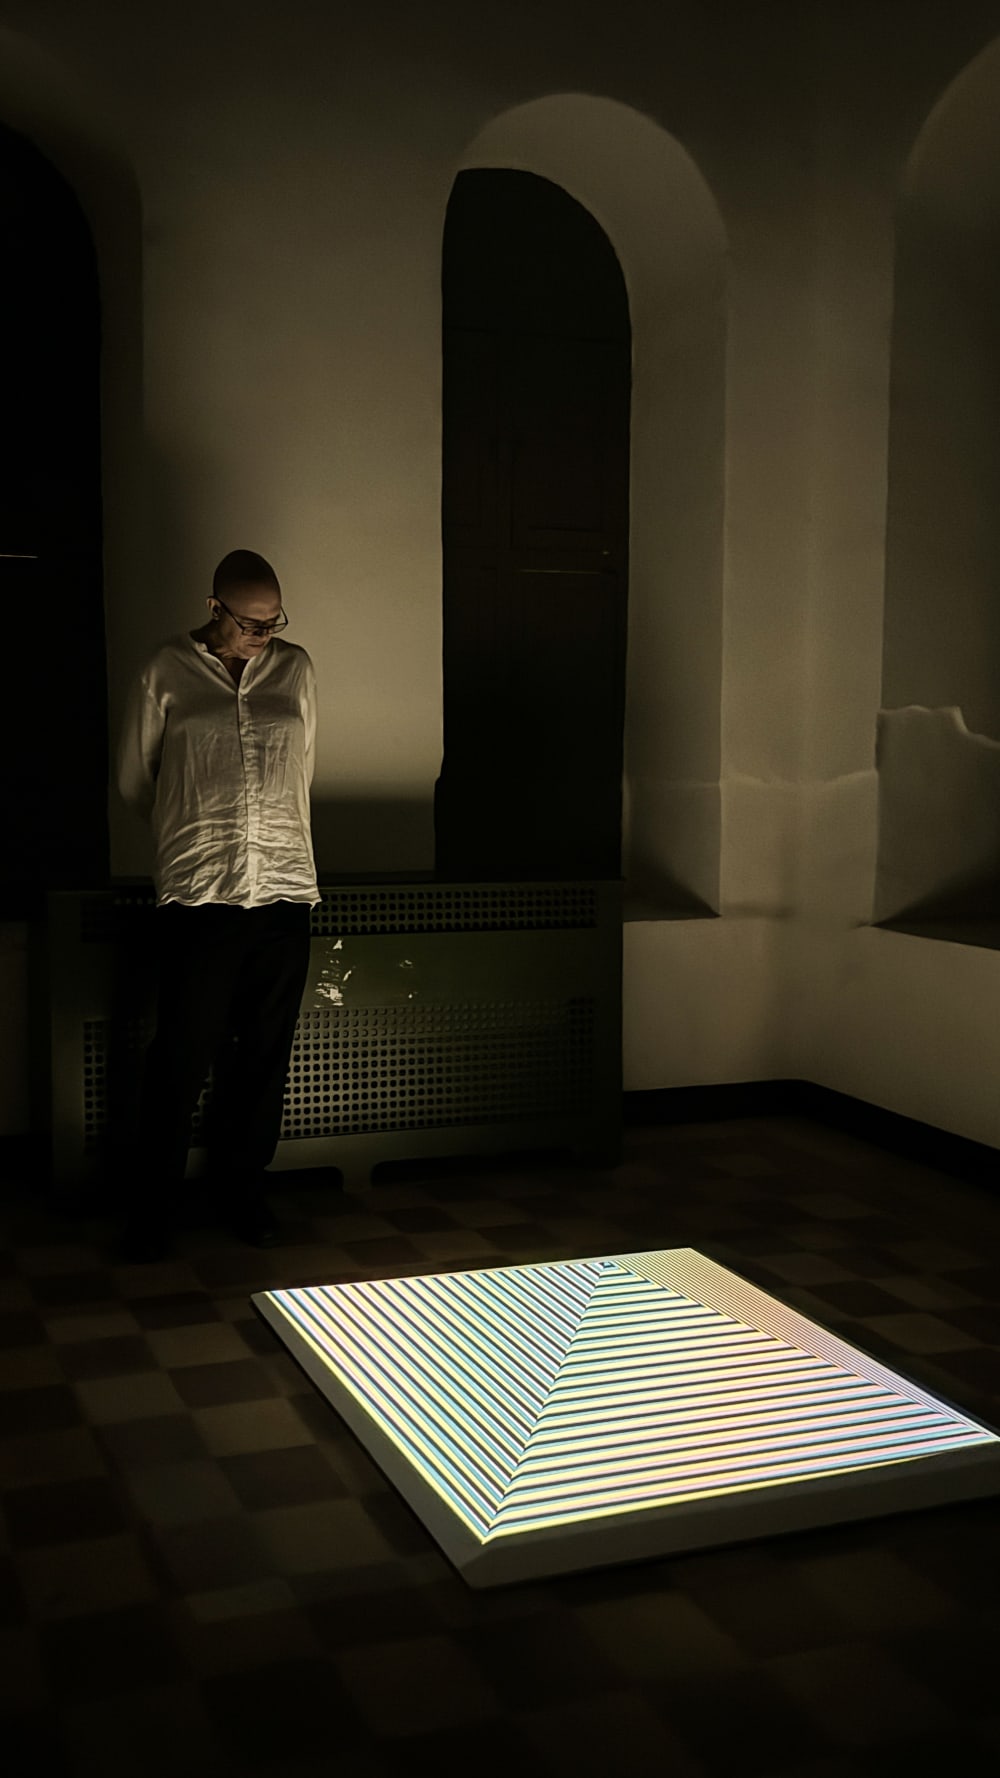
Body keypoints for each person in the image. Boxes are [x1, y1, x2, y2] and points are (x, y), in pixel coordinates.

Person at [116, 548, 319, 1260]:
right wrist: (192, 832)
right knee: (182, 1051)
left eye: (272, 623)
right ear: (214, 609)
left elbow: (304, 764)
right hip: (200, 890)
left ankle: (244, 1193)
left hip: (285, 887)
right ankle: (152, 1209)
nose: (262, 636)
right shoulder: (164, 671)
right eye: (248, 624)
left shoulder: (295, 669)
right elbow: (136, 780)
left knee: (264, 1053)